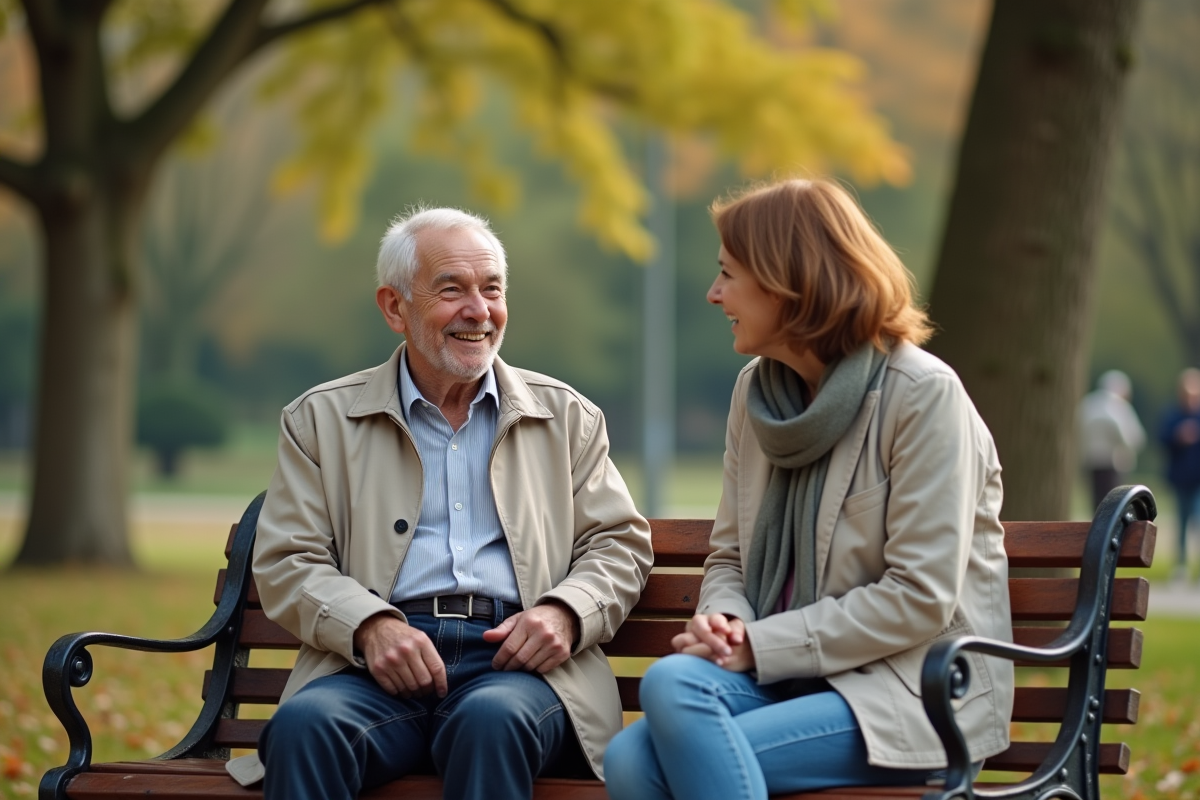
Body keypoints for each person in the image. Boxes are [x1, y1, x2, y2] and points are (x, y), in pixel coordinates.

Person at [604, 178, 1014, 798]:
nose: (714, 294)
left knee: (652, 747)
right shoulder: (756, 394)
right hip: (785, 677)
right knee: (640, 736)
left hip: (908, 689)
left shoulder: (921, 396)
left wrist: (758, 644)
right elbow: (731, 557)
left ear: (787, 283)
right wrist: (725, 624)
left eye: (728, 274)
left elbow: (920, 596)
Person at [224, 207, 653, 800]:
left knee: (491, 723)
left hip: (516, 664)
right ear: (394, 307)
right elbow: (289, 560)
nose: (478, 311)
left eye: (492, 290)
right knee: (304, 729)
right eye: (452, 290)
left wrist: (565, 612)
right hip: (372, 665)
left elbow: (619, 544)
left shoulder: (567, 417)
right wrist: (369, 626)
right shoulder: (319, 420)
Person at [1077, 369, 1146, 511]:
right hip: (1114, 462)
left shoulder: (1087, 403)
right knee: (1114, 503)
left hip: (1091, 460)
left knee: (1097, 503)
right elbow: (1134, 438)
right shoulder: (1119, 405)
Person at [1159, 367, 1200, 582]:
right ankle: (1181, 565)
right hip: (1181, 479)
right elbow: (1162, 440)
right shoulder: (1173, 415)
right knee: (1182, 523)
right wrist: (1179, 436)